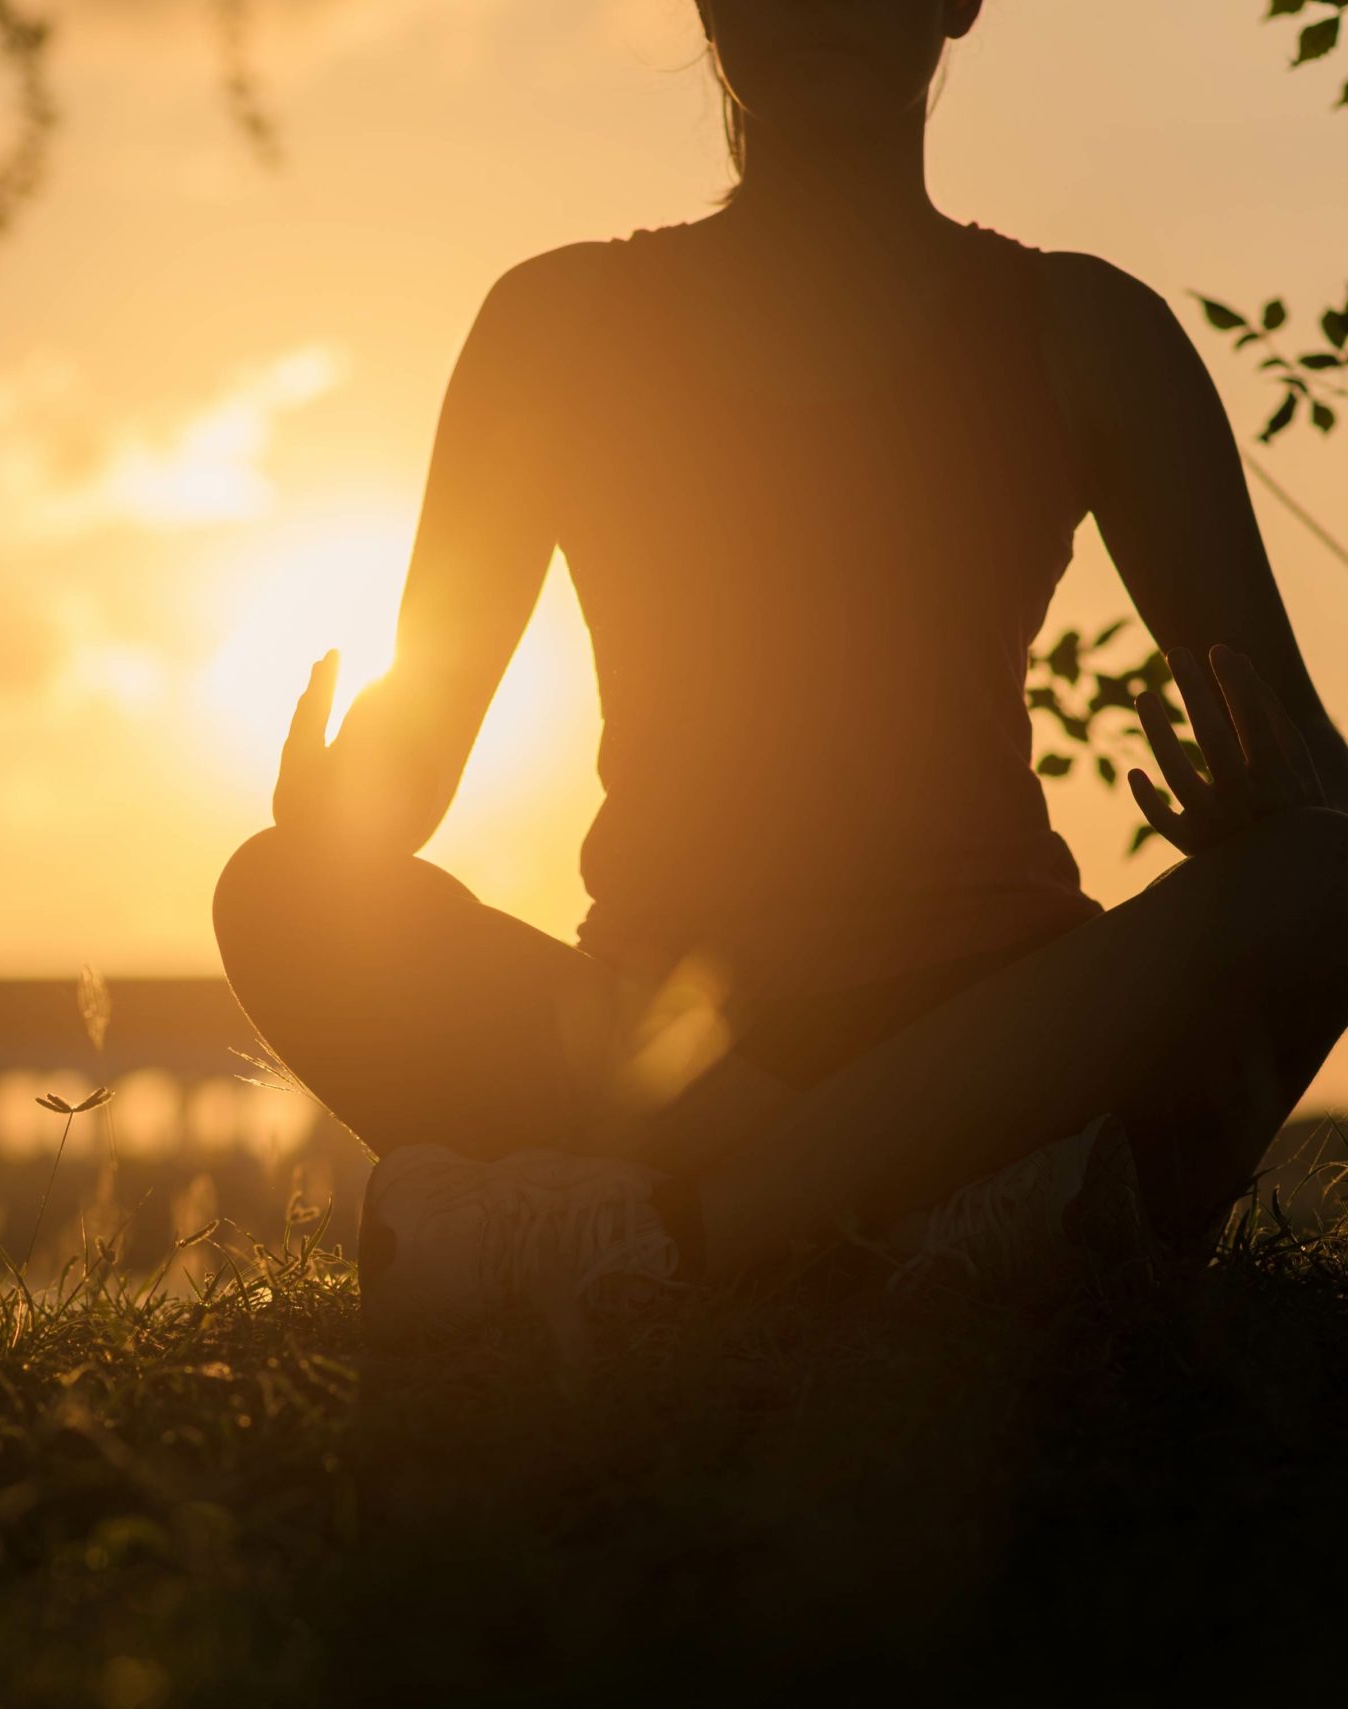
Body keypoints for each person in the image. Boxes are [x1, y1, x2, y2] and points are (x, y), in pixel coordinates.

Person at [211, 0, 1348, 1338]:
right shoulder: (557, 324)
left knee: (1323, 877)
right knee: (276, 895)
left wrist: (1258, 813)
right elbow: (412, 766)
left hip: (1007, 1038)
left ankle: (672, 1240)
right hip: (664, 1046)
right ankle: (938, 1224)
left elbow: (1309, 781)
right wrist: (341, 815)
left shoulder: (1086, 330)